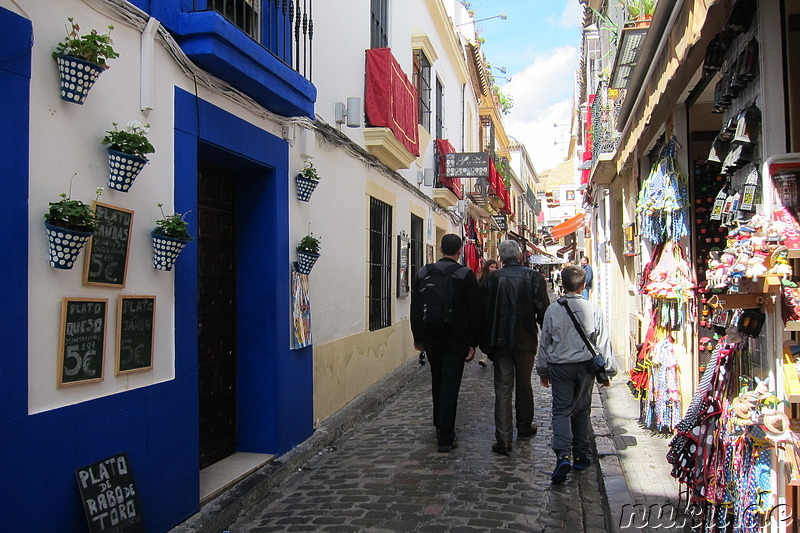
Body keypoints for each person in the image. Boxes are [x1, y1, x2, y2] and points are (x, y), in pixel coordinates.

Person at [536, 265, 615, 483]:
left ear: (562, 284)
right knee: (581, 409)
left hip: (560, 367)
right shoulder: (593, 309)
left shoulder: (553, 310)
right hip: (586, 367)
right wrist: (608, 371)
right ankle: (581, 454)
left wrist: (543, 369)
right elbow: (603, 342)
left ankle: (563, 454)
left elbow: (545, 342)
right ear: (583, 285)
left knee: (561, 410)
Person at [411, 234, 481, 453]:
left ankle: (439, 423)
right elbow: (474, 312)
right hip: (455, 338)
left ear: (441, 249)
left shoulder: (424, 272)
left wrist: (417, 336)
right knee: (451, 384)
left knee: (437, 380)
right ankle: (446, 435)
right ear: (460, 250)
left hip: (431, 336)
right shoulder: (465, 274)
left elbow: (415, 305)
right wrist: (473, 342)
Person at [480, 240, 550, 455]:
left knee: (503, 387)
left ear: (501, 257)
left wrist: (483, 342)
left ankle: (503, 439)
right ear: (519, 256)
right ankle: (524, 426)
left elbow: (482, 312)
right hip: (525, 340)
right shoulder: (533, 277)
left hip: (499, 341)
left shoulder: (492, 279)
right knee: (524, 384)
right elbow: (543, 312)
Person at [476, 259, 499, 368]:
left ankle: (494, 355)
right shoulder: (482, 280)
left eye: (495, 267)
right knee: (484, 334)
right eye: (491, 267)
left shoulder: (499, 280)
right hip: (484, 312)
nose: (493, 269)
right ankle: (484, 356)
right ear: (487, 268)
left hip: (495, 311)